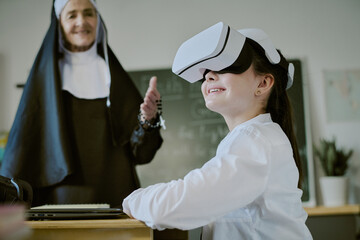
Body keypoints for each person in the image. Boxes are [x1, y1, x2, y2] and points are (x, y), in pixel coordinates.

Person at [122, 22, 312, 239]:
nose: (209, 76)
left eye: (225, 66)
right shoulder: (253, 138)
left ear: (264, 82)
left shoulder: (256, 141)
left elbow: (178, 205)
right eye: (206, 72)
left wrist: (131, 200)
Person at [0, 0, 163, 208]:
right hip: (61, 206)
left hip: (117, 202)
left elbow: (142, 154)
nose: (81, 21)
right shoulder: (44, 80)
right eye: (72, 15)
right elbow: (22, 152)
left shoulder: (113, 76)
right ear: (59, 23)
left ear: (97, 19)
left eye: (88, 13)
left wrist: (148, 120)